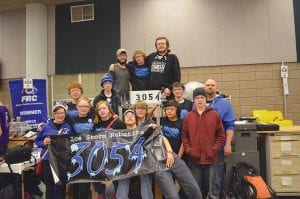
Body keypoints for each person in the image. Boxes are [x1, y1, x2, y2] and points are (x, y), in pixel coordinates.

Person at [133, 100, 202, 199]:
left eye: (143, 108)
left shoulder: (152, 122)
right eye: (138, 108)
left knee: (194, 189)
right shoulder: (129, 127)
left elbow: (162, 137)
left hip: (171, 157)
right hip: (157, 164)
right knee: (173, 196)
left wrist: (170, 152)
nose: (140, 110)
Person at [182, 87, 225, 199]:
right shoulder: (188, 116)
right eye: (197, 98)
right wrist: (189, 150)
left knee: (213, 189)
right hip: (194, 159)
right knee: (196, 190)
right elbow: (185, 136)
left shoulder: (214, 114)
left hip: (211, 159)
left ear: (206, 99)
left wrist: (214, 149)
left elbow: (221, 135)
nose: (200, 100)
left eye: (202, 97)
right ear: (194, 100)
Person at [204, 79, 235, 198]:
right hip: (200, 148)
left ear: (216, 88)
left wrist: (228, 144)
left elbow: (230, 125)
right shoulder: (198, 102)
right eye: (208, 85)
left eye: (212, 85)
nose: (210, 87)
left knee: (215, 176)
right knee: (203, 177)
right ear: (204, 87)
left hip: (217, 147)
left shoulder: (224, 104)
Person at [34, 104, 72, 199]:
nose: (60, 115)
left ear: (65, 114)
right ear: (53, 114)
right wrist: (43, 142)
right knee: (49, 185)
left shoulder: (68, 127)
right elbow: (37, 141)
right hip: (48, 160)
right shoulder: (45, 127)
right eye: (57, 113)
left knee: (62, 185)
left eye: (62, 113)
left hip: (62, 161)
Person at [115, 109, 153, 199]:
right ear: (124, 120)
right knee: (121, 190)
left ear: (136, 119)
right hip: (126, 163)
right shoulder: (118, 134)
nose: (129, 117)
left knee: (146, 181)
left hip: (142, 161)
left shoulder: (144, 130)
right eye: (127, 116)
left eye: (132, 116)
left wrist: (154, 127)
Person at [67, 96, 96, 199]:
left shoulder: (94, 118)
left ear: (89, 108)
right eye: (81, 106)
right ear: (77, 107)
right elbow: (58, 121)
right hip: (74, 155)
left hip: (89, 155)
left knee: (84, 185)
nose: (83, 108)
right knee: (74, 183)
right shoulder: (70, 118)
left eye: (86, 106)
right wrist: (43, 125)